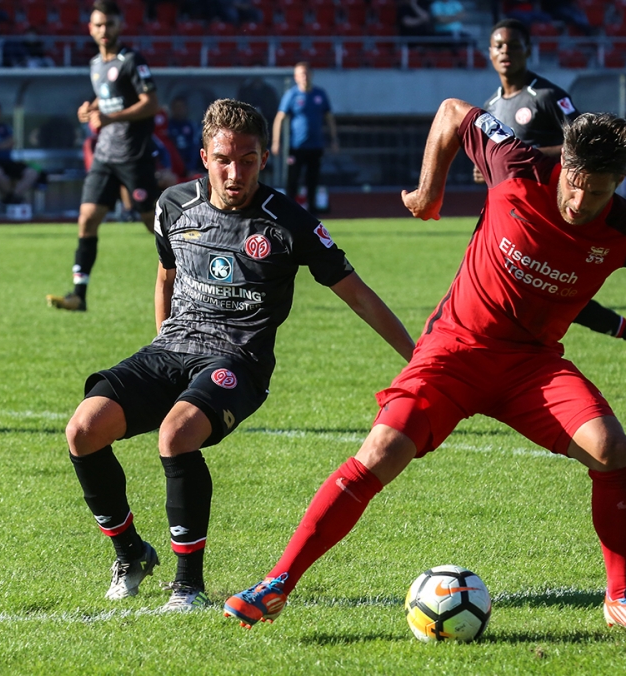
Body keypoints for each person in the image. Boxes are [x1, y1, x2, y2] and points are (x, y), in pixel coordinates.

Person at [224, 99, 626, 636]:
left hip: (531, 368)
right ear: (564, 163)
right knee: (381, 450)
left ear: (618, 184)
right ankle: (277, 583)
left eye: (598, 191)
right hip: (454, 351)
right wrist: (429, 191)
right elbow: (450, 112)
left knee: (611, 449)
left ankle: (621, 596)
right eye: (575, 183)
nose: (581, 201)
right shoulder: (515, 163)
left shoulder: (624, 228)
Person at [64, 98, 414, 613]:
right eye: (224, 160)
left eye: (248, 160)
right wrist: (163, 343)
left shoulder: (288, 222)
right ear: (204, 157)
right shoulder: (173, 205)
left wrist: (419, 358)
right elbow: (166, 277)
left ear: (264, 159)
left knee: (176, 435)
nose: (235, 173)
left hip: (238, 360)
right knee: (83, 430)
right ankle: (131, 554)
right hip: (173, 347)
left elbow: (357, 294)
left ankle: (188, 587)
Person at [481, 19, 626, 384]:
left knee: (550, 290)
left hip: (560, 211)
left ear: (528, 50)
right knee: (534, 290)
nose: (505, 52)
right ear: (489, 52)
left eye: (513, 45)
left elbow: (584, 145)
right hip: (515, 215)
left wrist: (529, 155)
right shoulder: (491, 105)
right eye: (499, 45)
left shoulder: (547, 96)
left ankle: (512, 371)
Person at [46, 0, 160, 312]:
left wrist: (110, 118)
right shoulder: (96, 64)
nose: (103, 30)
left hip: (133, 154)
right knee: (87, 218)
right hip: (105, 155)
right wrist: (91, 107)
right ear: (90, 29)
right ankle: (78, 294)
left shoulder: (132, 61)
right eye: (98, 24)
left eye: (109, 23)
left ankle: (193, 277)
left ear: (120, 25)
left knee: (153, 222)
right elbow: (108, 93)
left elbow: (151, 103)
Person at [272, 62, 338, 215]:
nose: (304, 77)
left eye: (306, 73)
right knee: (292, 180)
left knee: (312, 180)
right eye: (301, 74)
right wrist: (276, 141)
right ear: (296, 77)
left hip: (316, 145)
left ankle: (312, 212)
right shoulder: (292, 95)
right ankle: (289, 212)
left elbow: (329, 118)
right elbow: (279, 118)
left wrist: (334, 139)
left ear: (311, 75)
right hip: (296, 146)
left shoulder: (319, 94)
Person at [166, 96, 201, 176]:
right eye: (176, 107)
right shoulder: (167, 126)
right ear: (172, 109)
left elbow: (195, 148)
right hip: (173, 166)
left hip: (189, 167)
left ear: (186, 108)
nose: (179, 110)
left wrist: (191, 168)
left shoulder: (192, 126)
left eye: (181, 107)